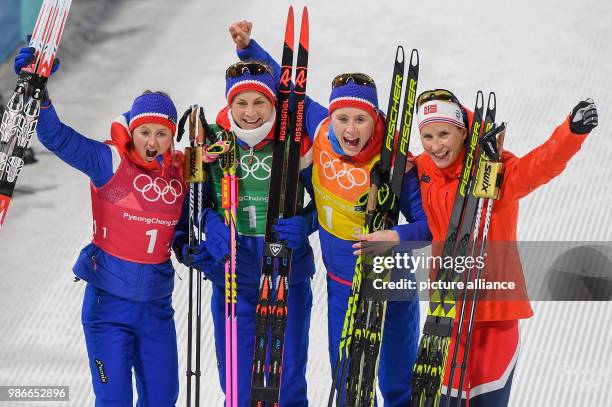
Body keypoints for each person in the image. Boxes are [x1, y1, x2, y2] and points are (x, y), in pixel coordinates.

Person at [227, 21, 431, 406]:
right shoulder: (319, 128)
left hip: (390, 285)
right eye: (344, 119)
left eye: (361, 119)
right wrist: (247, 49)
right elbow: (289, 85)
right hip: (341, 283)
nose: (350, 129)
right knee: (349, 383)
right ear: (332, 117)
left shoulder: (395, 161)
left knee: (395, 381)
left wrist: (395, 237)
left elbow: (429, 227)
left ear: (375, 120)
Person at [15, 46, 186, 406]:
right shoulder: (107, 161)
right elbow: (57, 138)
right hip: (109, 307)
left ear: (172, 137)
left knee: (163, 398)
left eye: (161, 134)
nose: (152, 142)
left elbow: (186, 222)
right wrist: (39, 91)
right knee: (114, 400)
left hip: (156, 307)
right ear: (132, 130)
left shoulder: (182, 172)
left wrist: (194, 245)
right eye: (144, 132)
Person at [410, 89, 598, 406]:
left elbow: (535, 168)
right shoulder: (423, 169)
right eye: (427, 136)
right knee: (442, 399)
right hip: (447, 312)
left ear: (463, 130)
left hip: (494, 313)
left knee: (487, 398)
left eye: (444, 134)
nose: (436, 145)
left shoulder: (492, 169)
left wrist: (571, 133)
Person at [171, 50, 318, 405]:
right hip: (233, 271)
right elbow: (191, 205)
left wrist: (306, 222)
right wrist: (203, 228)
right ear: (229, 104)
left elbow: (324, 202)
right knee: (236, 378)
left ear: (273, 105)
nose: (250, 113)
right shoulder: (208, 144)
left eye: (259, 102)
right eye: (241, 102)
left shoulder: (297, 145)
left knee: (287, 376)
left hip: (285, 270)